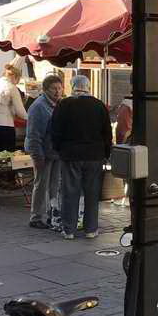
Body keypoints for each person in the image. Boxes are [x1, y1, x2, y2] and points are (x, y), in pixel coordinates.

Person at [50, 74, 112, 240]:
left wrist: (58, 149)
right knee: (92, 192)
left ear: (72, 86)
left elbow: (55, 130)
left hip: (70, 155)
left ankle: (69, 229)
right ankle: (91, 229)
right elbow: (107, 133)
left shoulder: (64, 104)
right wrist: (107, 153)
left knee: (70, 192)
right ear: (88, 87)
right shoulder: (99, 106)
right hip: (94, 155)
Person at [25, 74, 64, 230]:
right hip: (43, 153)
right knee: (41, 185)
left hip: (55, 152)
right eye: (54, 89)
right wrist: (37, 156)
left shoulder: (57, 104)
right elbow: (34, 134)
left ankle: (51, 215)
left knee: (54, 185)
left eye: (60, 88)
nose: (57, 92)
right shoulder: (39, 106)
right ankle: (36, 217)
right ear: (46, 90)